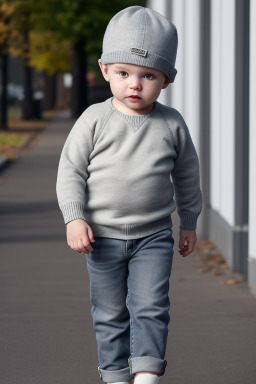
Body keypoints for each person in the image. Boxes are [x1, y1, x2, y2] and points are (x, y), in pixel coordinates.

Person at [56, 6, 202, 384]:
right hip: (100, 237)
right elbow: (70, 170)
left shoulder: (171, 124)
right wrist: (74, 217)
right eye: (123, 73)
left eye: (148, 76)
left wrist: (188, 223)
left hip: (154, 236)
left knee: (151, 307)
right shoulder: (94, 119)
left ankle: (148, 374)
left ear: (167, 79)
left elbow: (187, 175)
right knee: (108, 313)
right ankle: (116, 375)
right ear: (105, 70)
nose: (134, 85)